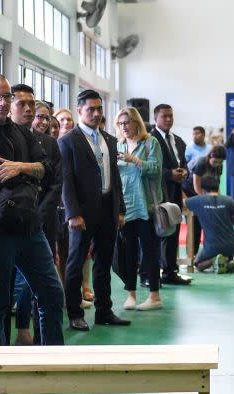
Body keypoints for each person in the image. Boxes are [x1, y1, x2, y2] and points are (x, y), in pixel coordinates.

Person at [0, 74, 65, 347]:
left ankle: (54, 362)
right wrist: (33, 171)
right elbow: (0, 175)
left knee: (52, 294)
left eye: (6, 97)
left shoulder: (22, 131)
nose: (1, 102)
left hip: (29, 228)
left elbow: (48, 168)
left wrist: (21, 167)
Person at [59, 89, 130, 331]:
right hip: (82, 214)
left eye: (99, 109)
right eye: (91, 109)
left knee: (103, 264)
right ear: (79, 110)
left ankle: (104, 310)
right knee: (76, 264)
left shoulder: (109, 139)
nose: (97, 113)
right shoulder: (68, 141)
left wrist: (120, 209)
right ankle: (75, 313)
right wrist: (73, 213)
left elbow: (115, 178)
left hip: (107, 210)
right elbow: (65, 180)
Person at [9, 89, 63, 346]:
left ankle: (45, 338)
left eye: (46, 118)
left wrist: (39, 215)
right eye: (38, 116)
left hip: (44, 220)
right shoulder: (16, 139)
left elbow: (54, 182)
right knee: (23, 283)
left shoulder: (51, 145)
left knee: (45, 282)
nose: (41, 122)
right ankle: (22, 329)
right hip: (19, 218)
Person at [115, 106, 164, 311]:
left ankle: (154, 296)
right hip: (126, 207)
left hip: (146, 207)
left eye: (127, 122)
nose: (124, 127)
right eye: (120, 123)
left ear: (137, 123)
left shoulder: (150, 142)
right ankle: (131, 294)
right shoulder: (118, 145)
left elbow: (156, 169)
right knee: (129, 253)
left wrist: (134, 160)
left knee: (150, 252)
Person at [150, 103, 192, 285]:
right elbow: (150, 166)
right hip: (156, 193)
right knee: (155, 234)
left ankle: (169, 272)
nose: (168, 119)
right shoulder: (150, 140)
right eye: (164, 116)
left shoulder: (178, 140)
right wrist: (169, 174)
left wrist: (185, 173)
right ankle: (150, 274)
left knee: (173, 231)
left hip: (174, 194)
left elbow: (184, 164)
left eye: (170, 116)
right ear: (155, 118)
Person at [187, 158, 234, 273]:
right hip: (233, 245)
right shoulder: (229, 200)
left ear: (203, 189)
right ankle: (228, 261)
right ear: (217, 187)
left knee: (197, 264)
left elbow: (181, 203)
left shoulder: (198, 200)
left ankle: (213, 261)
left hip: (212, 247)